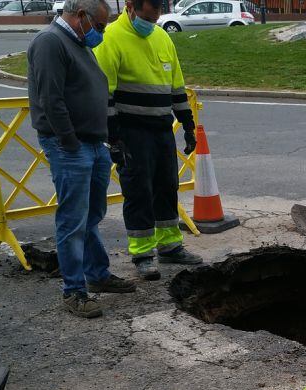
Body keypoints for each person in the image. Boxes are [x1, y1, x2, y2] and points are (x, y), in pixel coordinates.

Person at [28, 0, 136, 318]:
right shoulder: (50, 42)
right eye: (100, 26)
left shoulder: (77, 42)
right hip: (71, 145)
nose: (101, 32)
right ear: (80, 16)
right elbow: (51, 97)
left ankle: (97, 275)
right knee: (73, 220)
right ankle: (74, 291)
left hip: (92, 142)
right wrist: (69, 141)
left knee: (91, 215)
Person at [95, 0, 205, 280]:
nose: (151, 24)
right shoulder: (111, 38)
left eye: (155, 19)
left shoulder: (162, 37)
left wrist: (188, 125)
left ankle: (169, 247)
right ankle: (142, 253)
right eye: (147, 17)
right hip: (131, 131)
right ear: (130, 8)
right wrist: (114, 137)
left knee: (167, 186)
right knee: (139, 189)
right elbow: (104, 94)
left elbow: (176, 87)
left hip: (161, 128)